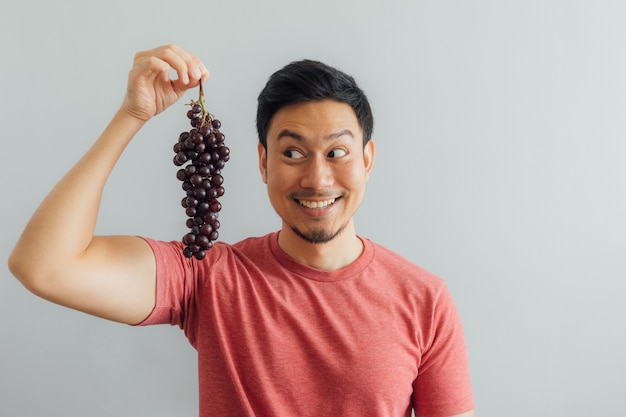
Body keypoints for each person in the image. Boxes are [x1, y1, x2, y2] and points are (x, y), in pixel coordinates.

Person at [8, 44, 475, 417]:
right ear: (263, 162)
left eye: (336, 153)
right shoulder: (208, 276)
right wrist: (131, 116)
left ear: (367, 161)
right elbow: (43, 266)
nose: (317, 179)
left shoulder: (425, 299)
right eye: (292, 153)